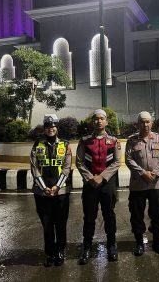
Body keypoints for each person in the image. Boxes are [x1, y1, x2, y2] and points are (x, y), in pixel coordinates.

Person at [76, 109, 121, 265]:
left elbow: (117, 162)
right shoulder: (84, 141)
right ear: (92, 122)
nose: (99, 121)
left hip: (108, 185)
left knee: (109, 216)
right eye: (96, 119)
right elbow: (79, 162)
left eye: (102, 119)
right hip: (90, 185)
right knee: (89, 218)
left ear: (106, 122)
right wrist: (90, 178)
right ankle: (86, 247)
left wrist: (102, 177)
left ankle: (111, 246)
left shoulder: (114, 141)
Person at [30, 114, 72, 267]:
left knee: (60, 224)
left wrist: (57, 187)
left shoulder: (65, 145)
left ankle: (60, 251)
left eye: (53, 126)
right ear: (45, 128)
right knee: (47, 225)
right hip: (42, 193)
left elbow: (67, 168)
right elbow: (34, 169)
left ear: (57, 128)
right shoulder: (37, 144)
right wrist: (45, 188)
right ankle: (50, 253)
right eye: (48, 126)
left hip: (61, 192)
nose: (51, 129)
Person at [125, 111, 159, 256]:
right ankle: (139, 243)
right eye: (142, 122)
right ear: (138, 123)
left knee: (157, 214)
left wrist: (155, 173)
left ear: (152, 123)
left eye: (148, 121)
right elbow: (128, 159)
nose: (145, 124)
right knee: (137, 215)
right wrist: (143, 172)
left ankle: (157, 241)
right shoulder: (132, 140)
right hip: (138, 184)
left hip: (156, 184)